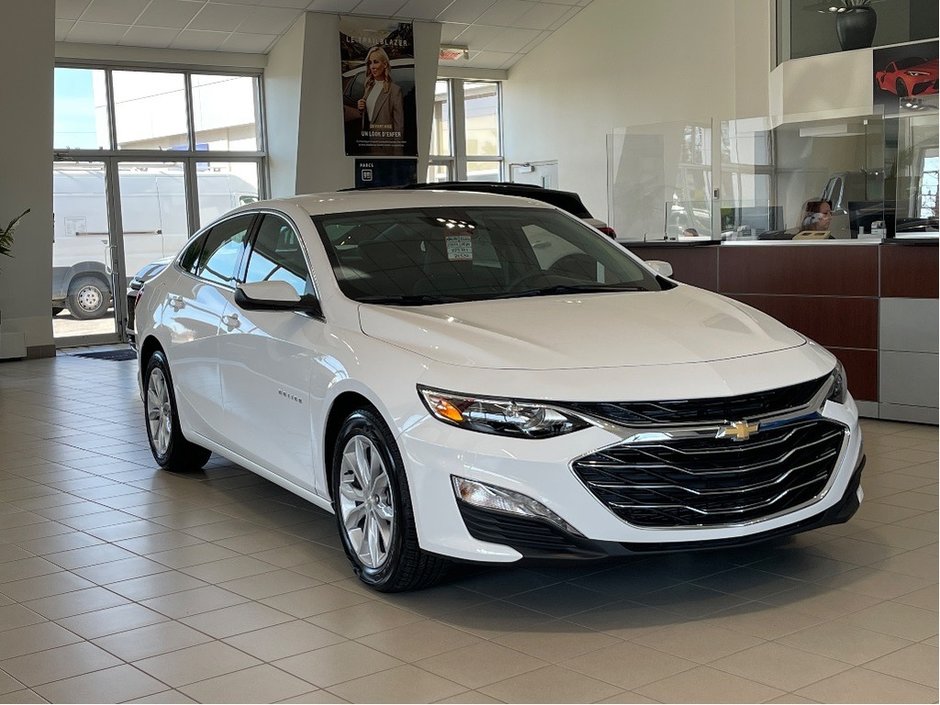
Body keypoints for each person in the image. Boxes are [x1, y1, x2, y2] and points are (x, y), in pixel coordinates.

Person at [357, 46, 404, 154]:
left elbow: (399, 126)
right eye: (370, 63)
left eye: (376, 62)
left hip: (385, 148)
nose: (372, 66)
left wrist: (398, 155)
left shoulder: (395, 90)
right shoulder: (368, 87)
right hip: (367, 144)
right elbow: (370, 115)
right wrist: (361, 107)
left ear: (385, 64)